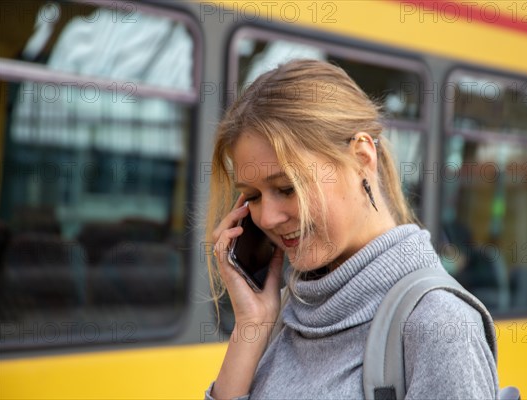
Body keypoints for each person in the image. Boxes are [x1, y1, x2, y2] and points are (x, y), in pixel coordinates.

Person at [205, 59, 499, 399]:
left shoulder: (439, 325)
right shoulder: (281, 313)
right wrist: (250, 329)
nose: (267, 218)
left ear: (361, 157)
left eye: (287, 188)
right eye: (253, 196)